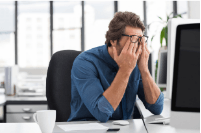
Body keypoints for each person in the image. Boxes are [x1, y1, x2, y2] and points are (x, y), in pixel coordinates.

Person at [67, 11, 164, 123]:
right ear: (113, 40)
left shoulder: (137, 62)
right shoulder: (85, 62)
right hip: (87, 127)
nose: (137, 46)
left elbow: (157, 107)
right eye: (132, 39)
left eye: (140, 40)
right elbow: (101, 114)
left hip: (124, 128)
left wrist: (144, 69)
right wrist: (125, 69)